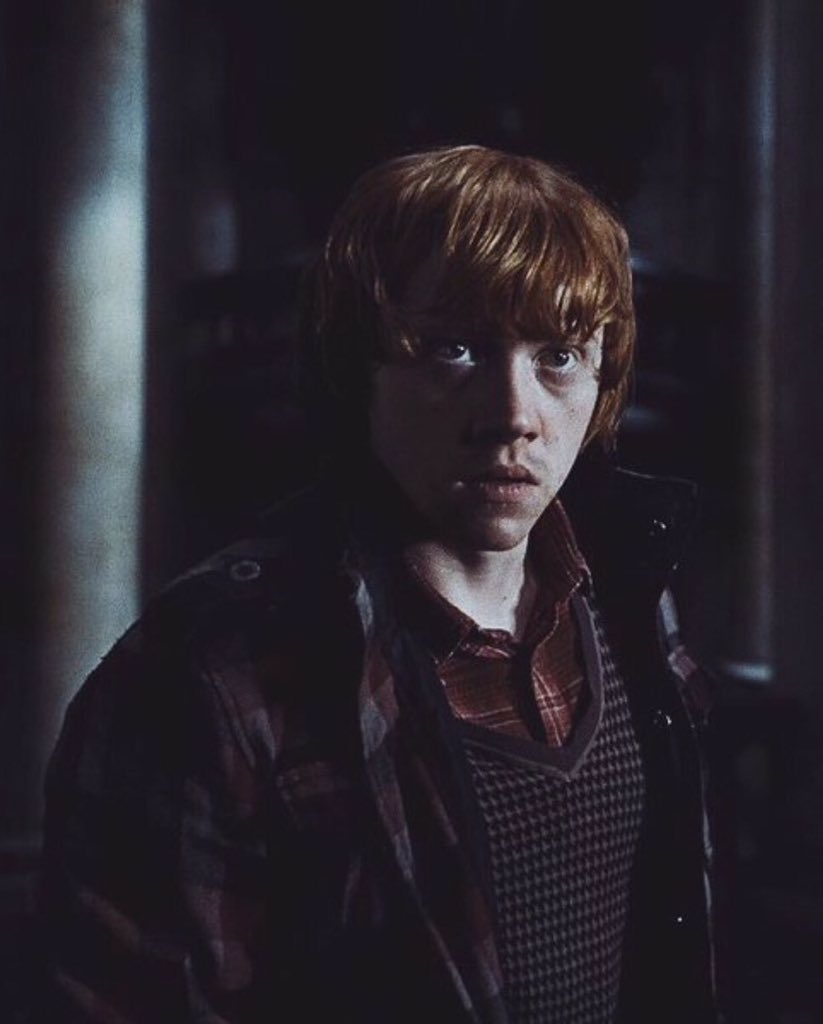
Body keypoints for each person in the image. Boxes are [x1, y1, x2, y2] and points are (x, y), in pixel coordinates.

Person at [36, 145, 721, 1022]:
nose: (514, 416)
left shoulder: (630, 598)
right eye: (455, 349)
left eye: (558, 356)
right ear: (359, 368)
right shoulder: (206, 673)